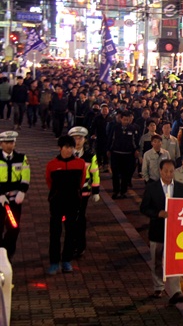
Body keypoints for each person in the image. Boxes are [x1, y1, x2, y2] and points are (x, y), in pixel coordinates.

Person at [140, 159, 183, 305]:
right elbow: (143, 208)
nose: (168, 174)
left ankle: (175, 291)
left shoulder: (180, 187)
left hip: (175, 232)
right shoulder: (152, 187)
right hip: (157, 230)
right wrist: (157, 213)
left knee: (174, 262)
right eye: (165, 171)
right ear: (160, 171)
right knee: (157, 261)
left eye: (171, 171)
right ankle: (158, 286)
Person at [45, 135, 87, 274]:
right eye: (66, 147)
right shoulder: (52, 164)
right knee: (55, 233)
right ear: (60, 148)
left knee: (71, 232)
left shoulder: (80, 163)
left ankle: (66, 260)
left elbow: (81, 182)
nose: (69, 150)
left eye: (71, 147)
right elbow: (49, 182)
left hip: (73, 202)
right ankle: (54, 262)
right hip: (57, 202)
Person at [68, 127, 101, 258]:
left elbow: (95, 174)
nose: (78, 141)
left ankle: (80, 246)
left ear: (85, 139)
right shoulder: (66, 153)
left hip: (84, 192)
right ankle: (71, 244)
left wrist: (96, 191)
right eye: (75, 138)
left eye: (80, 138)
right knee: (69, 219)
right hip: (69, 193)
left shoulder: (90, 154)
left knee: (80, 217)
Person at [0, 131, 30, 260]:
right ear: (1, 144)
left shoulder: (21, 158)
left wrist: (22, 191)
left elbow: (26, 176)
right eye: (6, 142)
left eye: (11, 142)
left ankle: (7, 253)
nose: (9, 145)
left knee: (14, 227)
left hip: (15, 200)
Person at [108, 111, 139, 199]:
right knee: (115, 174)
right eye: (124, 119)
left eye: (127, 120)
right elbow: (110, 139)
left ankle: (123, 191)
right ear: (120, 119)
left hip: (128, 154)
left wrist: (136, 150)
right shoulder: (115, 128)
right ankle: (115, 191)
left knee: (125, 174)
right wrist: (108, 149)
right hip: (116, 153)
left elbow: (135, 141)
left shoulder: (132, 128)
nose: (126, 121)